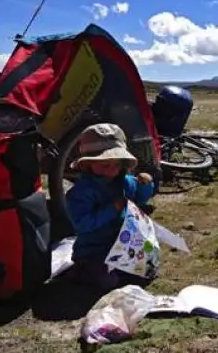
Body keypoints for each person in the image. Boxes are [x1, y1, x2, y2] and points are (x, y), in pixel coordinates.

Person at [64, 123, 155, 292]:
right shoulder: (82, 192)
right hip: (93, 251)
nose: (113, 170)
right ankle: (80, 271)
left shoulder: (125, 181)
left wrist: (145, 185)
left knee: (144, 271)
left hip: (123, 244)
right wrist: (112, 209)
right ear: (87, 164)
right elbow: (82, 224)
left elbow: (140, 199)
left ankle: (121, 271)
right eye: (105, 165)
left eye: (117, 164)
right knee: (107, 281)